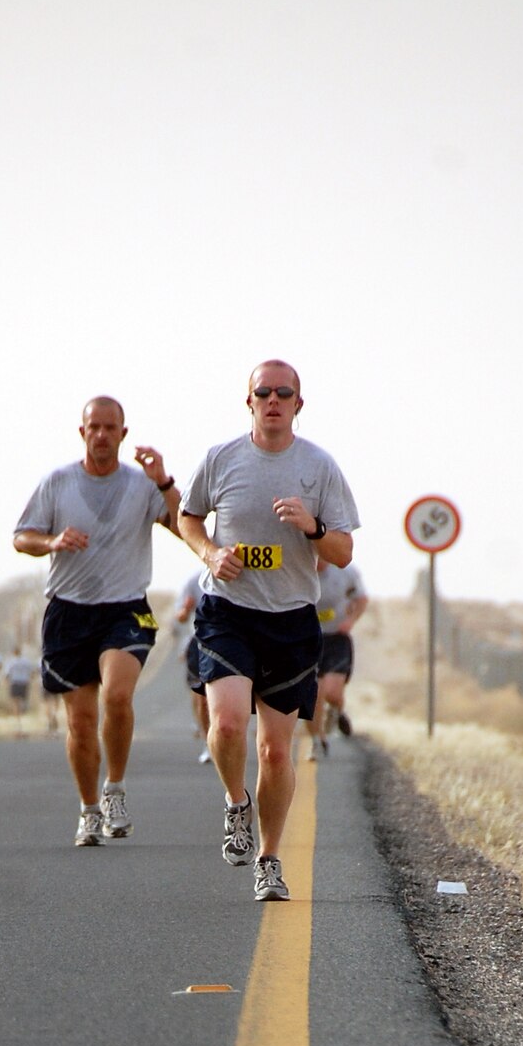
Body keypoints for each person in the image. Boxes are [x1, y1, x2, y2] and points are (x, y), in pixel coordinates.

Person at [178, 360, 360, 901]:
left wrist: (313, 527)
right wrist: (210, 552)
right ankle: (237, 803)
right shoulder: (221, 459)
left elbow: (344, 551)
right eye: (264, 392)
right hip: (228, 611)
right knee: (229, 726)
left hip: (290, 621)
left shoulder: (320, 468)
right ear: (249, 400)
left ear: (299, 405)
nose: (274, 400)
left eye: (285, 393)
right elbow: (187, 519)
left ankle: (269, 857)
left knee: (277, 753)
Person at [14, 396, 181, 846]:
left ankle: (115, 790)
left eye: (111, 428)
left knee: (119, 695)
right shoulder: (58, 483)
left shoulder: (143, 485)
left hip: (125, 608)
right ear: (83, 432)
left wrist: (163, 479)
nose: (103, 435)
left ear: (123, 434)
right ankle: (88, 810)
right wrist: (52, 542)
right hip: (69, 611)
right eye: (95, 427)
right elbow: (21, 537)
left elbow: (185, 526)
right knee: (81, 722)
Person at [307, 559, 369, 759]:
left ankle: (336, 712)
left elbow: (361, 599)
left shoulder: (345, 572)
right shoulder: (300, 569)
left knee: (333, 692)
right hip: (309, 638)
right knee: (314, 694)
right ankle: (317, 740)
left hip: (337, 638)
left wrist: (350, 621)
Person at [172, 567, 211, 763]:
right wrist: (186, 610)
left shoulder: (240, 573)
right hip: (198, 642)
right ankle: (208, 744)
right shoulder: (195, 581)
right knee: (201, 697)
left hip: (230, 641)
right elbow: (179, 617)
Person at [4, 644, 37, 733]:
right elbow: (33, 672)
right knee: (23, 700)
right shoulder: (26, 661)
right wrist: (30, 679)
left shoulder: (11, 661)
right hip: (24, 682)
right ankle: (21, 716)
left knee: (15, 702)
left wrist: (7, 683)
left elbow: (7, 674)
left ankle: (18, 721)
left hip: (15, 682)